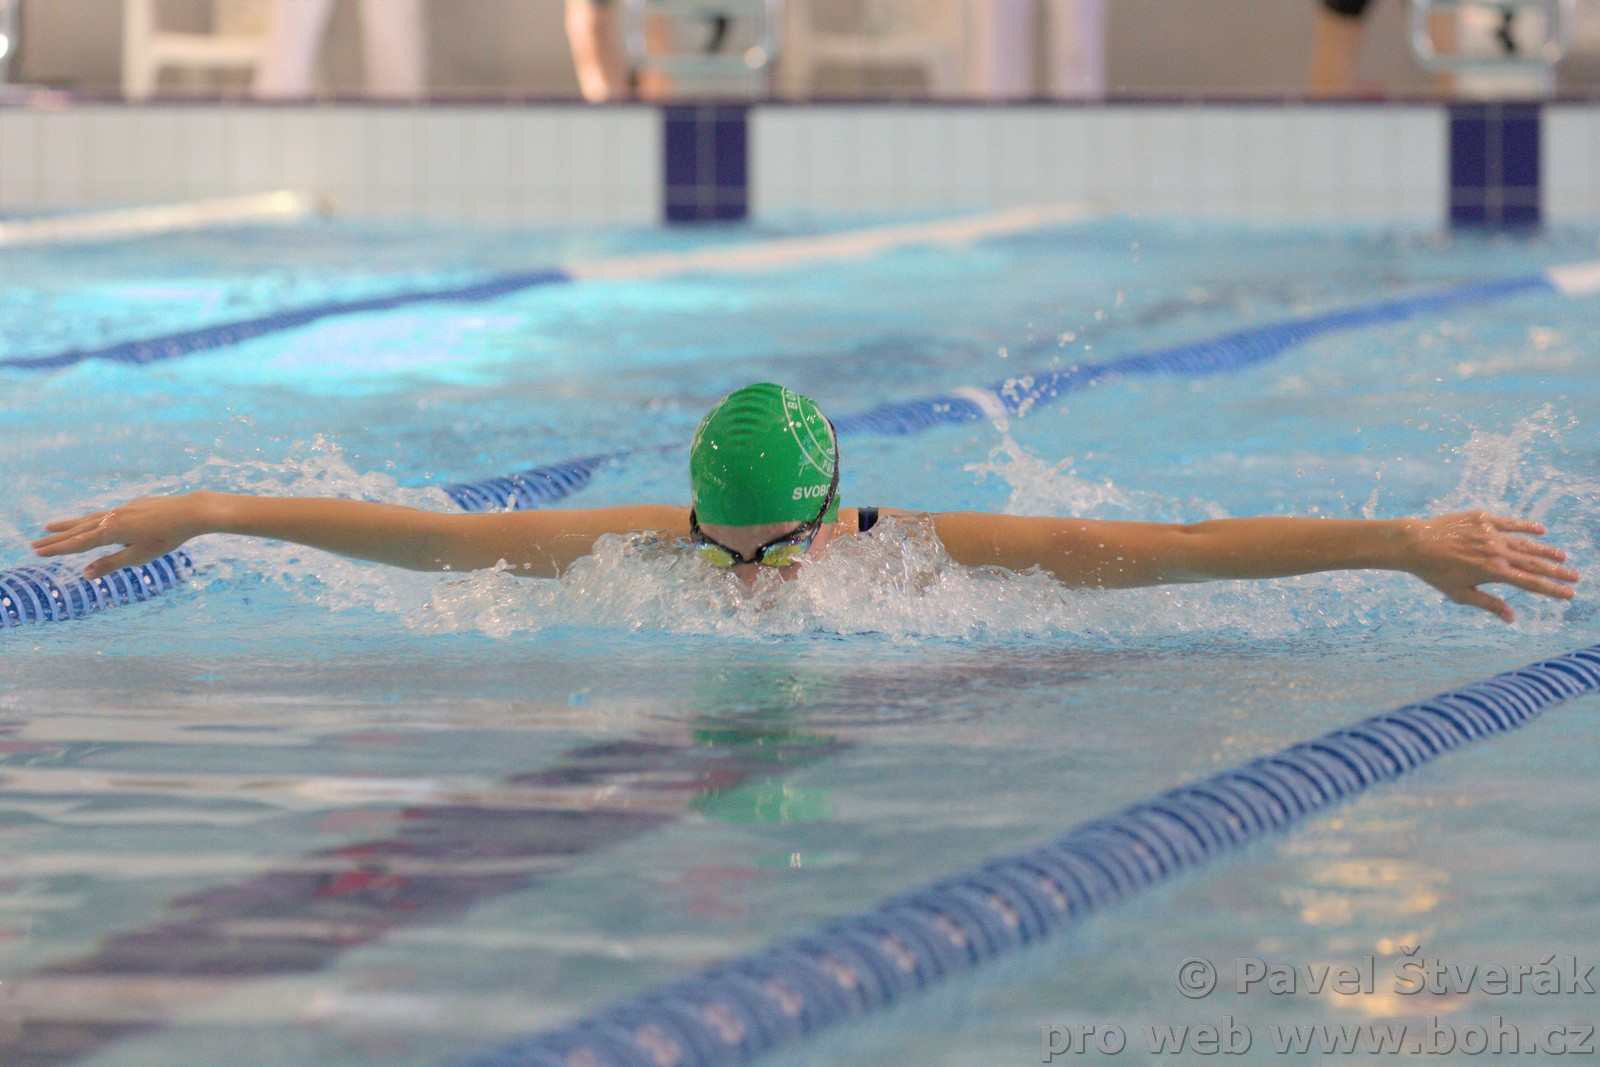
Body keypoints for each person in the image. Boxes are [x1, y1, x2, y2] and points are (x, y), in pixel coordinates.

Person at [30, 383, 1579, 624]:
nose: (752, 573)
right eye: (725, 544)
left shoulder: (917, 560)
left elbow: (1173, 554)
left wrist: (1396, 542)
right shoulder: (647, 553)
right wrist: (209, 506)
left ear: (836, 515)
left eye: (780, 543)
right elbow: (432, 542)